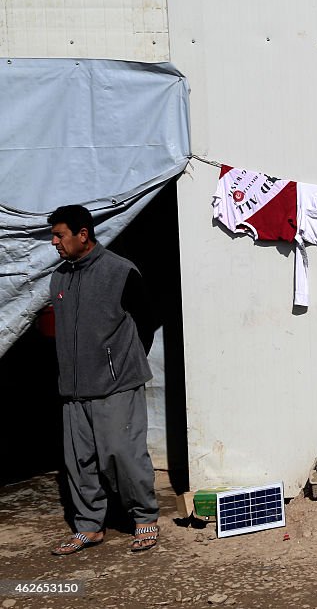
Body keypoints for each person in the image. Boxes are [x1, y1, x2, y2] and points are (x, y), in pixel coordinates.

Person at [47, 205, 161, 554]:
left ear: (83, 234)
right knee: (79, 460)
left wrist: (118, 364)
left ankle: (144, 519)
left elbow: (147, 321)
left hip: (116, 384)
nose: (54, 243)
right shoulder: (59, 277)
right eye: (53, 236)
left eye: (60, 235)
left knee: (122, 454)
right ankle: (89, 527)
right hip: (74, 389)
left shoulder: (120, 272)